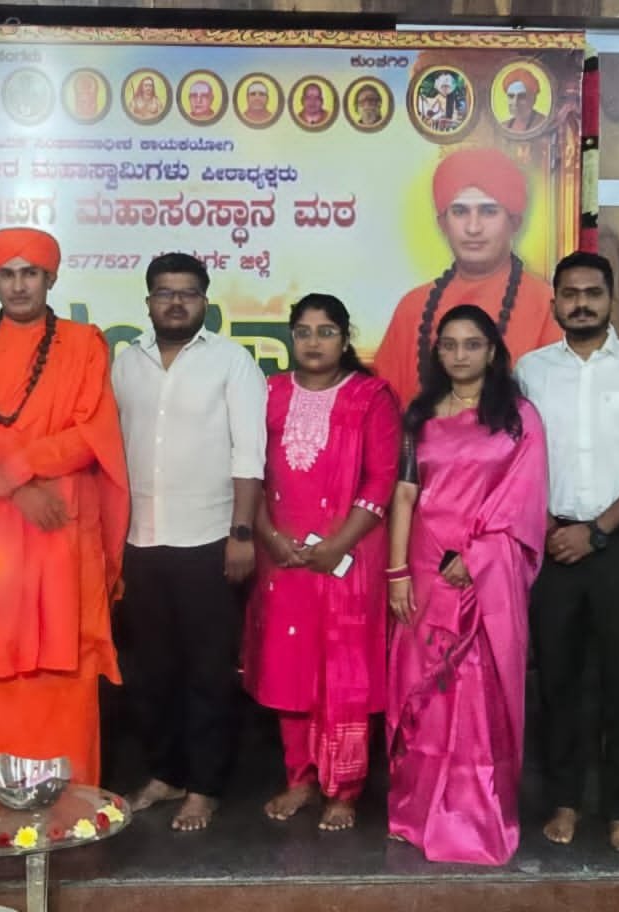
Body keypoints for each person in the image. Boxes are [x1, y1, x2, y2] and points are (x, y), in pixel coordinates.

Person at [0, 227, 129, 787]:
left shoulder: (84, 344)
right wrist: (14, 486)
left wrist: (22, 465)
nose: (19, 286)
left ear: (51, 278)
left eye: (30, 274)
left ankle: (71, 800)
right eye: (7, 275)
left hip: (57, 521)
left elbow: (92, 431)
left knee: (63, 659)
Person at [515, 252, 619, 855]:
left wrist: (598, 529)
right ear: (555, 302)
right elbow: (518, 460)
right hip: (552, 542)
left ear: (612, 299)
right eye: (570, 293)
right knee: (557, 679)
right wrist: (553, 528)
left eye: (592, 292)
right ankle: (564, 800)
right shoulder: (531, 371)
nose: (581, 302)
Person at [385, 304, 547, 865]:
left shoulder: (518, 418)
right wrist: (398, 572)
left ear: (492, 351)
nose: (459, 355)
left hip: (486, 575)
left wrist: (477, 555)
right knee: (426, 695)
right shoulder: (420, 414)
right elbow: (405, 493)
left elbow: (524, 496)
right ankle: (417, 810)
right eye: (449, 344)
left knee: (479, 697)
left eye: (472, 344)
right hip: (426, 570)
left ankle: (476, 815)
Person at [112, 253, 266, 831]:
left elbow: (249, 453)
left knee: (208, 671)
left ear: (205, 301)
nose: (175, 303)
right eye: (164, 293)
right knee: (152, 671)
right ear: (148, 301)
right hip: (142, 541)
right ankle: (166, 773)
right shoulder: (125, 364)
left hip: (210, 539)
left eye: (187, 293)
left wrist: (242, 533)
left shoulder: (232, 362)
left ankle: (205, 786)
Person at [245, 294, 400, 833]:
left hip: (349, 556)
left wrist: (338, 544)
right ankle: (301, 778)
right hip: (280, 553)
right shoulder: (268, 393)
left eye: (326, 331)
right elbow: (248, 469)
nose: (314, 342)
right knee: (290, 664)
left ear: (345, 337)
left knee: (343, 671)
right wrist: (268, 536)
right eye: (304, 331)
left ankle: (344, 787)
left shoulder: (370, 397)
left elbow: (382, 478)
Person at [373, 147, 560, 404]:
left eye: (488, 211)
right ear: (442, 224)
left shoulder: (546, 305)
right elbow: (383, 408)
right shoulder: (413, 308)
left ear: (514, 222)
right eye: (460, 212)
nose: (473, 228)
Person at [500, 68, 548, 133]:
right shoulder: (504, 126)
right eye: (511, 96)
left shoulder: (544, 123)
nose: (515, 102)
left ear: (533, 99)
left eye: (521, 97)